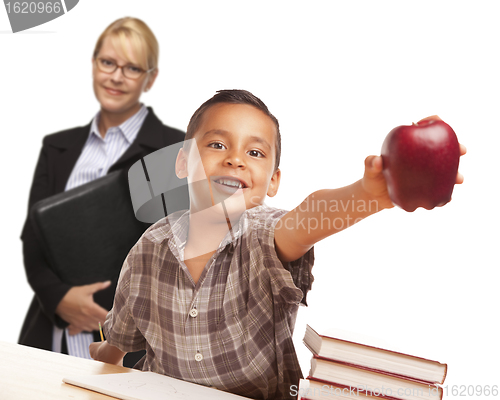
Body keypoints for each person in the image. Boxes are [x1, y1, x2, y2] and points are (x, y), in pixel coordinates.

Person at [89, 90, 466, 399]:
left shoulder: (264, 236)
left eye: (255, 153)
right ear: (183, 162)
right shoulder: (150, 247)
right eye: (217, 144)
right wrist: (103, 357)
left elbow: (309, 217)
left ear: (272, 182)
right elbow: (120, 337)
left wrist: (368, 195)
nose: (235, 159)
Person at [19, 17, 185, 366]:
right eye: (108, 62)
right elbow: (33, 239)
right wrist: (59, 299)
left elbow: (179, 250)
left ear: (150, 78)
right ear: (94, 64)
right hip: (52, 333)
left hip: (132, 341)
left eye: (132, 68)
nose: (116, 76)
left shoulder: (174, 149)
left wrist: (120, 313)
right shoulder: (57, 146)